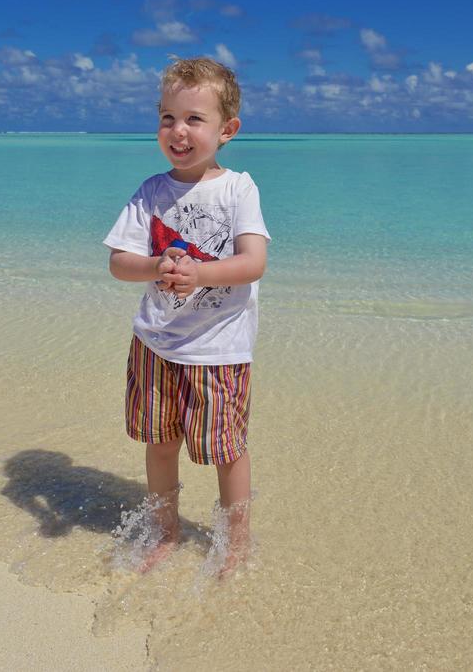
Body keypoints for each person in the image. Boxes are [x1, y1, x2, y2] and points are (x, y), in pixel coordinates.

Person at [103, 56, 270, 573]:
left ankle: (236, 540)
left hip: (219, 348)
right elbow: (119, 263)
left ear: (227, 130)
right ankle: (165, 530)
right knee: (159, 443)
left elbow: (253, 262)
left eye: (195, 119)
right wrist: (157, 263)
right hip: (155, 343)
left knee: (226, 450)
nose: (178, 131)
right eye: (167, 117)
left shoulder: (238, 188)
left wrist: (199, 273)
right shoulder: (151, 192)